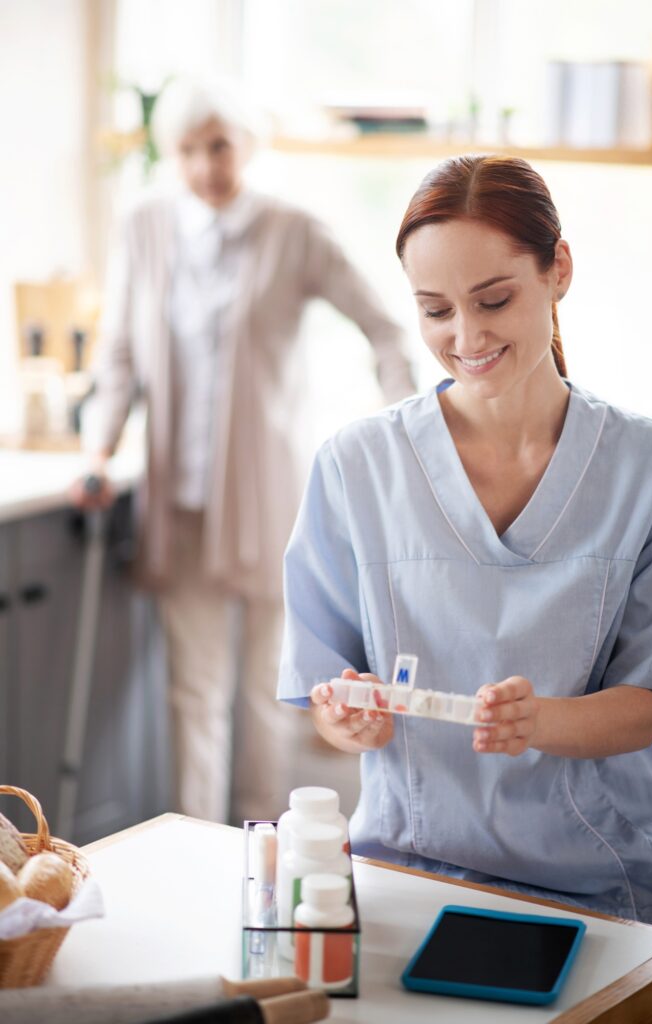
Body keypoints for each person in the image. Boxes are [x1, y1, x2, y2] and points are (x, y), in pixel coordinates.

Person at [277, 154, 652, 929]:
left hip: (608, 877)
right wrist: (347, 718)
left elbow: (645, 705)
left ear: (558, 269)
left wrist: (539, 723)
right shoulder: (356, 465)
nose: (466, 336)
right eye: (435, 310)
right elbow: (325, 691)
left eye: (493, 299)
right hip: (410, 866)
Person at [74, 77, 416, 826]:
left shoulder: (294, 229)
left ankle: (262, 841)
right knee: (192, 693)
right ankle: (196, 841)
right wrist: (97, 448)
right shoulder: (144, 227)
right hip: (181, 502)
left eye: (220, 145)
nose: (206, 165)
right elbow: (120, 357)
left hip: (271, 502)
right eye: (189, 150)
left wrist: (406, 433)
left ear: (247, 146)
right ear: (172, 154)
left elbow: (385, 326)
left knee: (270, 686)